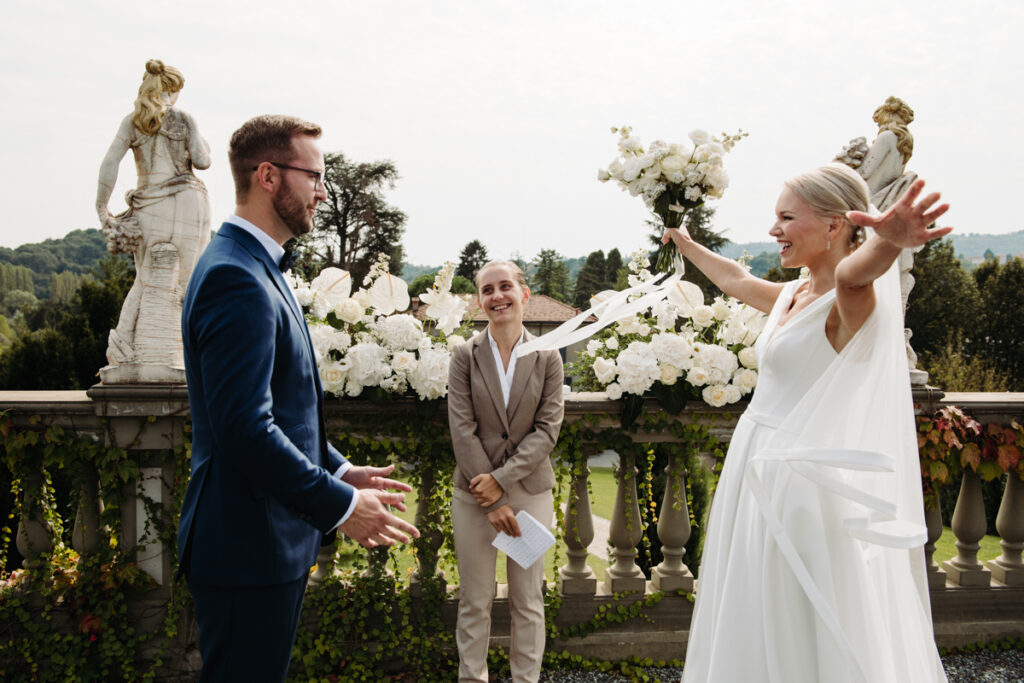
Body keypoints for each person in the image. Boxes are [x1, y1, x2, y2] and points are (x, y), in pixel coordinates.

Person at [665, 164, 950, 683]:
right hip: (752, 470)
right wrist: (683, 243)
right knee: (750, 606)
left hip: (800, 486)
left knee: (794, 611)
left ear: (834, 225)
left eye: (786, 217)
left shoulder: (850, 304)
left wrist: (889, 243)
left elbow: (850, 275)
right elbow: (735, 279)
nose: (774, 230)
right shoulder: (791, 296)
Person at [177, 114, 419, 682]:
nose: (323, 192)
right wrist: (337, 504)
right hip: (245, 544)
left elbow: (285, 408)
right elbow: (244, 428)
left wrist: (340, 469)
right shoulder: (235, 276)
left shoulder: (260, 266)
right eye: (314, 176)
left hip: (264, 542)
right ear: (267, 175)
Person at [447, 260, 565, 683]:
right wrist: (491, 496)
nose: (497, 296)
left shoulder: (548, 355)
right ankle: (471, 677)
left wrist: (503, 482)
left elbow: (547, 431)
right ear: (480, 300)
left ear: (524, 293)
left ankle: (525, 679)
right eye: (487, 290)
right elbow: (462, 430)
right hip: (473, 496)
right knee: (475, 600)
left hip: (529, 493)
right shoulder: (464, 355)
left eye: (505, 287)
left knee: (527, 599)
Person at [95, 59, 211, 376]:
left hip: (150, 205)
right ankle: (180, 356)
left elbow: (110, 163)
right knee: (187, 285)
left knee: (145, 279)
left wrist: (102, 207)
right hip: (187, 202)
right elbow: (202, 161)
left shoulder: (133, 121)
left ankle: (123, 352)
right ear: (171, 90)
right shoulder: (184, 119)